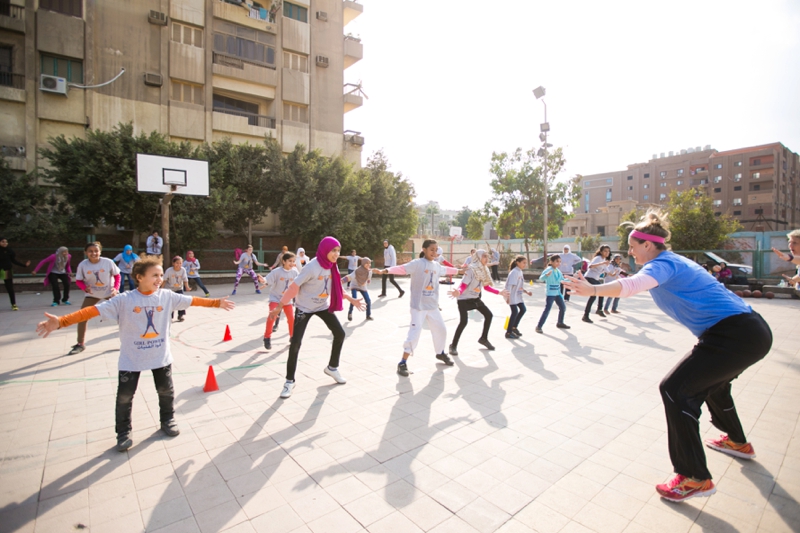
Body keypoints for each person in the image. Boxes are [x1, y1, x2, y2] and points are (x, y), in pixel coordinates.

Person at [563, 210, 772, 503]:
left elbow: (633, 286)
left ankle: (694, 477)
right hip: (751, 331)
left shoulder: (662, 264)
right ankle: (737, 442)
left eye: (633, 246)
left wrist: (593, 289)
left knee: (674, 390)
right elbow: (635, 278)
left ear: (648, 245)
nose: (630, 251)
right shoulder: (673, 262)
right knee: (713, 385)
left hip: (734, 335)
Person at [36, 255, 235, 452]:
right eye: (154, 275)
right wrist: (61, 322)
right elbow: (90, 312)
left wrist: (216, 302)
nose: (159, 279)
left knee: (166, 391)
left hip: (160, 356)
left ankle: (168, 420)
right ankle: (123, 432)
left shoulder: (167, 296)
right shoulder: (124, 300)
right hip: (131, 359)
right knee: (124, 397)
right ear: (139, 277)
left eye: (160, 275)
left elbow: (193, 300)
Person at [268, 237, 364, 398]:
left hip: (322, 306)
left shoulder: (332, 266)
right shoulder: (311, 267)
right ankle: (289, 382)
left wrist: (351, 299)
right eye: (333, 250)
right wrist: (279, 307)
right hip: (304, 308)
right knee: (295, 343)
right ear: (325, 250)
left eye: (338, 250)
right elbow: (294, 287)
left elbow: (338, 287)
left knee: (339, 333)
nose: (336, 254)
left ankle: (332, 368)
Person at [378, 239, 460, 377]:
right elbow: (402, 269)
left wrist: (460, 270)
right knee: (414, 334)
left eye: (436, 250)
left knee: (441, 330)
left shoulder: (436, 265)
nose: (434, 252)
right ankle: (402, 362)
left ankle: (440, 353)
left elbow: (448, 270)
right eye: (431, 249)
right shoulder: (417, 264)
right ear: (424, 249)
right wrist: (386, 270)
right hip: (419, 307)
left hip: (432, 306)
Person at [448, 249, 506, 356]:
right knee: (463, 322)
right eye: (484, 256)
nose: (486, 258)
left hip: (475, 298)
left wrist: (499, 292)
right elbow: (463, 285)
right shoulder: (471, 269)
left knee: (489, 315)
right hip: (463, 299)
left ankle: (483, 339)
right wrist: (458, 292)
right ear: (478, 257)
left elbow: (487, 287)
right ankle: (453, 345)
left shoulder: (484, 270)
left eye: (487, 256)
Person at [69, 242, 121, 355]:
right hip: (92, 294)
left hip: (109, 293)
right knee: (82, 316)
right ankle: (80, 344)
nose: (94, 253)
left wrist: (116, 289)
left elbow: (117, 275)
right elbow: (78, 280)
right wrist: (84, 288)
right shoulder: (83, 265)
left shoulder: (107, 262)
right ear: (86, 253)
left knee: (123, 315)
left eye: (96, 251)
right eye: (90, 251)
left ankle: (129, 342)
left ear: (100, 252)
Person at [260, 251, 298, 350]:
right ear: (284, 261)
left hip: (287, 299)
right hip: (275, 298)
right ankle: (267, 337)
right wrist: (263, 280)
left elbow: (300, 282)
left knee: (291, 318)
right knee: (272, 315)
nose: (292, 263)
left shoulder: (295, 272)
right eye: (290, 261)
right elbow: (267, 279)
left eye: (293, 261)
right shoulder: (276, 271)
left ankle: (292, 337)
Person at [536, 254, 570, 333]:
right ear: (551, 262)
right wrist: (546, 275)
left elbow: (562, 280)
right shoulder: (548, 269)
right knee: (547, 310)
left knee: (563, 307)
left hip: (557, 293)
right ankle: (539, 326)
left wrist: (573, 280)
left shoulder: (558, 271)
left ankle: (560, 322)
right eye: (557, 261)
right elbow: (541, 279)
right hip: (551, 293)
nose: (558, 263)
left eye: (560, 262)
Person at [504, 255, 532, 338]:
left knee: (523, 309)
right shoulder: (514, 272)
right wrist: (508, 297)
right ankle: (508, 332)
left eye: (526, 263)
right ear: (517, 263)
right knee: (514, 312)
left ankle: (514, 327)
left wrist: (526, 291)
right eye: (523, 263)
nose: (525, 265)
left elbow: (520, 285)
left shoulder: (520, 271)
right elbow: (509, 286)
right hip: (512, 296)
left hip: (518, 296)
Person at [582, 245, 611, 323]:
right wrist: (602, 263)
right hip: (589, 277)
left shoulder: (604, 261)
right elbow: (590, 266)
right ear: (601, 251)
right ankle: (588, 314)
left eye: (608, 251)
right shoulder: (598, 258)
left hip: (595, 279)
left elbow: (609, 273)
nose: (607, 253)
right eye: (605, 251)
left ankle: (597, 310)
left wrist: (617, 273)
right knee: (597, 293)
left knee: (598, 293)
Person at [0, 237, 30, 311]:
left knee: (10, 288)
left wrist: (24, 265)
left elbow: (14, 261)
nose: (5, 243)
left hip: (7, 270)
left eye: (6, 242)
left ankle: (13, 304)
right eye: (3, 242)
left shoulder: (9, 251)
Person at [342, 256, 373, 322]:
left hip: (362, 286)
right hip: (355, 285)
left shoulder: (369, 271)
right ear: (363, 263)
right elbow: (349, 277)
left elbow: (369, 279)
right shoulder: (357, 271)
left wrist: (368, 281)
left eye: (369, 263)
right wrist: (341, 281)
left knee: (368, 300)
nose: (368, 265)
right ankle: (350, 313)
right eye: (366, 263)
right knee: (354, 299)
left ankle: (368, 315)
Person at [164, 256, 192, 321]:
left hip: (179, 288)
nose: (178, 265)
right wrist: (161, 289)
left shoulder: (183, 270)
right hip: (170, 289)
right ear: (173, 263)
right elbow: (164, 280)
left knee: (181, 301)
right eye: (177, 263)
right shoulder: (169, 270)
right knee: (171, 303)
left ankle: (180, 315)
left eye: (180, 263)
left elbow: (185, 279)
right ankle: (170, 317)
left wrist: (187, 287)